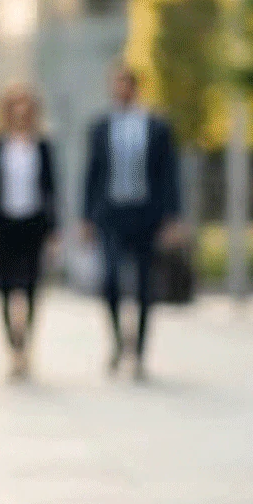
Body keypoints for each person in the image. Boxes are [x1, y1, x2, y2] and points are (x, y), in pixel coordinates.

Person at [82, 64, 181, 380]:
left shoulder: (155, 126)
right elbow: (92, 175)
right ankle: (117, 341)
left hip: (145, 214)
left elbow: (169, 175)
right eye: (116, 84)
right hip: (111, 215)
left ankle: (138, 349)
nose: (120, 90)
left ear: (135, 88)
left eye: (126, 84)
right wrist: (85, 217)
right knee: (110, 280)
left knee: (143, 283)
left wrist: (172, 216)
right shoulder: (100, 127)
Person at [0, 85, 57, 380]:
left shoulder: (42, 147)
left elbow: (51, 191)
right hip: (2, 226)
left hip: (33, 225)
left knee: (32, 287)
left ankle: (26, 345)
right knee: (6, 288)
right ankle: (13, 347)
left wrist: (54, 231)